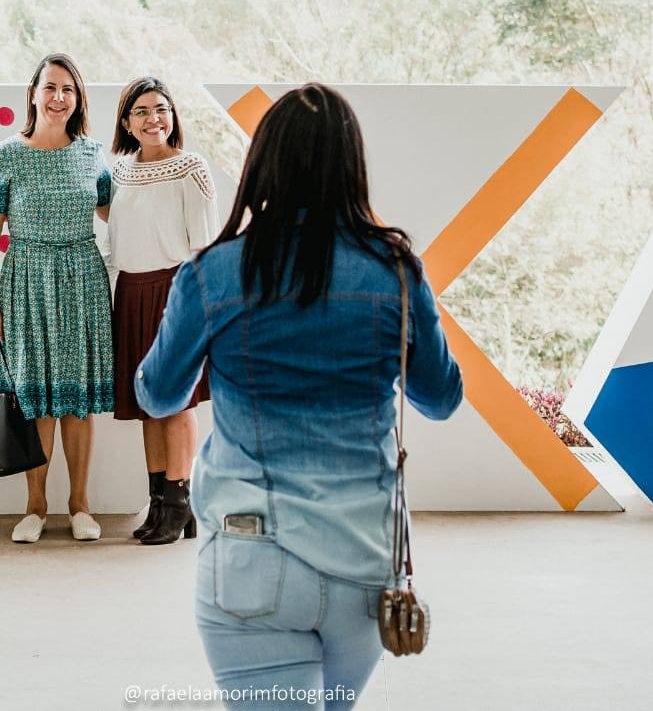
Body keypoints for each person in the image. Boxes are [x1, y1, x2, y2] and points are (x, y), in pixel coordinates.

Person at [135, 84, 462, 708]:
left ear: (264, 165)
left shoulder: (213, 272)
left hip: (249, 558)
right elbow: (440, 397)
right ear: (351, 166)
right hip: (365, 562)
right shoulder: (395, 270)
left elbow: (158, 395)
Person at [0, 53, 114, 543]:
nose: (59, 99)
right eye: (51, 88)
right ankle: (35, 506)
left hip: (81, 279)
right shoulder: (3, 155)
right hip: (26, 279)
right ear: (33, 92)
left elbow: (113, 214)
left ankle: (80, 506)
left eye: (68, 90)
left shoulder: (93, 154)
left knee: (77, 402)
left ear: (78, 100)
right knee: (33, 400)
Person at [107, 76, 219, 546]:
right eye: (143, 111)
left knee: (177, 401)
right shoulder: (118, 172)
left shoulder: (191, 168)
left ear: (173, 116)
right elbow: (116, 233)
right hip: (131, 291)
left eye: (162, 109)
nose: (154, 119)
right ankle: (161, 502)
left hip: (177, 291)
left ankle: (178, 500)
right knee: (147, 405)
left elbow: (204, 245)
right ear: (127, 122)